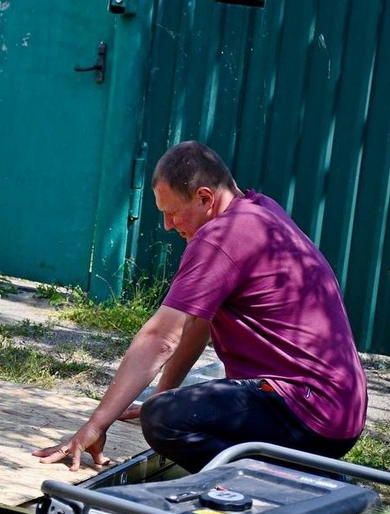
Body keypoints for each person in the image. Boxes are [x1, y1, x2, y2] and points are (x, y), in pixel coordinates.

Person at [35, 141, 366, 473]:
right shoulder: (260, 210)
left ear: (205, 198)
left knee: (166, 422)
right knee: (164, 409)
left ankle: (263, 482)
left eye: (172, 212)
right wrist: (161, 394)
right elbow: (197, 325)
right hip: (339, 411)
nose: (166, 224)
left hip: (306, 412)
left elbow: (160, 338)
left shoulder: (220, 238)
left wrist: (95, 425)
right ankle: (281, 468)